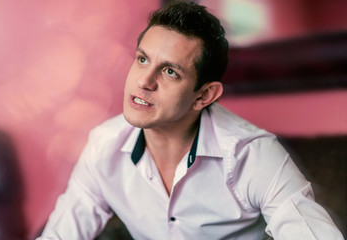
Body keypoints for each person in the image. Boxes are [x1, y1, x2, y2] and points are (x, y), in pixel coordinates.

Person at [37, 1, 344, 239]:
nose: (144, 81)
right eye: (143, 59)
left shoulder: (252, 155)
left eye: (170, 71)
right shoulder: (103, 144)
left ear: (204, 95)